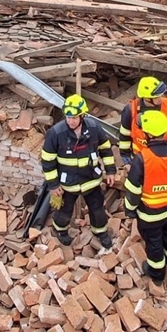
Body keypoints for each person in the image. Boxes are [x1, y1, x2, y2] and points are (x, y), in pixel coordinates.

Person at [123, 110, 167, 285]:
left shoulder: (142, 159)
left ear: (148, 134)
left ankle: (157, 274)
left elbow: (133, 189)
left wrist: (130, 210)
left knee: (154, 245)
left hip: (150, 214)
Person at [41, 94, 117, 247]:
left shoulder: (95, 128)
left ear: (82, 116)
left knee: (97, 209)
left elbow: (106, 150)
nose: (70, 121)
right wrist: (54, 185)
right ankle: (61, 230)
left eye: (74, 117)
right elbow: (47, 160)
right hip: (67, 184)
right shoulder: (56, 133)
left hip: (91, 180)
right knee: (64, 211)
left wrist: (110, 171)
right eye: (68, 117)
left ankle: (100, 232)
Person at [119, 76, 167, 162]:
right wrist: (125, 156)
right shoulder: (130, 110)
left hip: (163, 156)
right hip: (140, 158)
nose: (160, 98)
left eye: (160, 95)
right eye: (156, 97)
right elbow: (125, 134)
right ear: (147, 98)